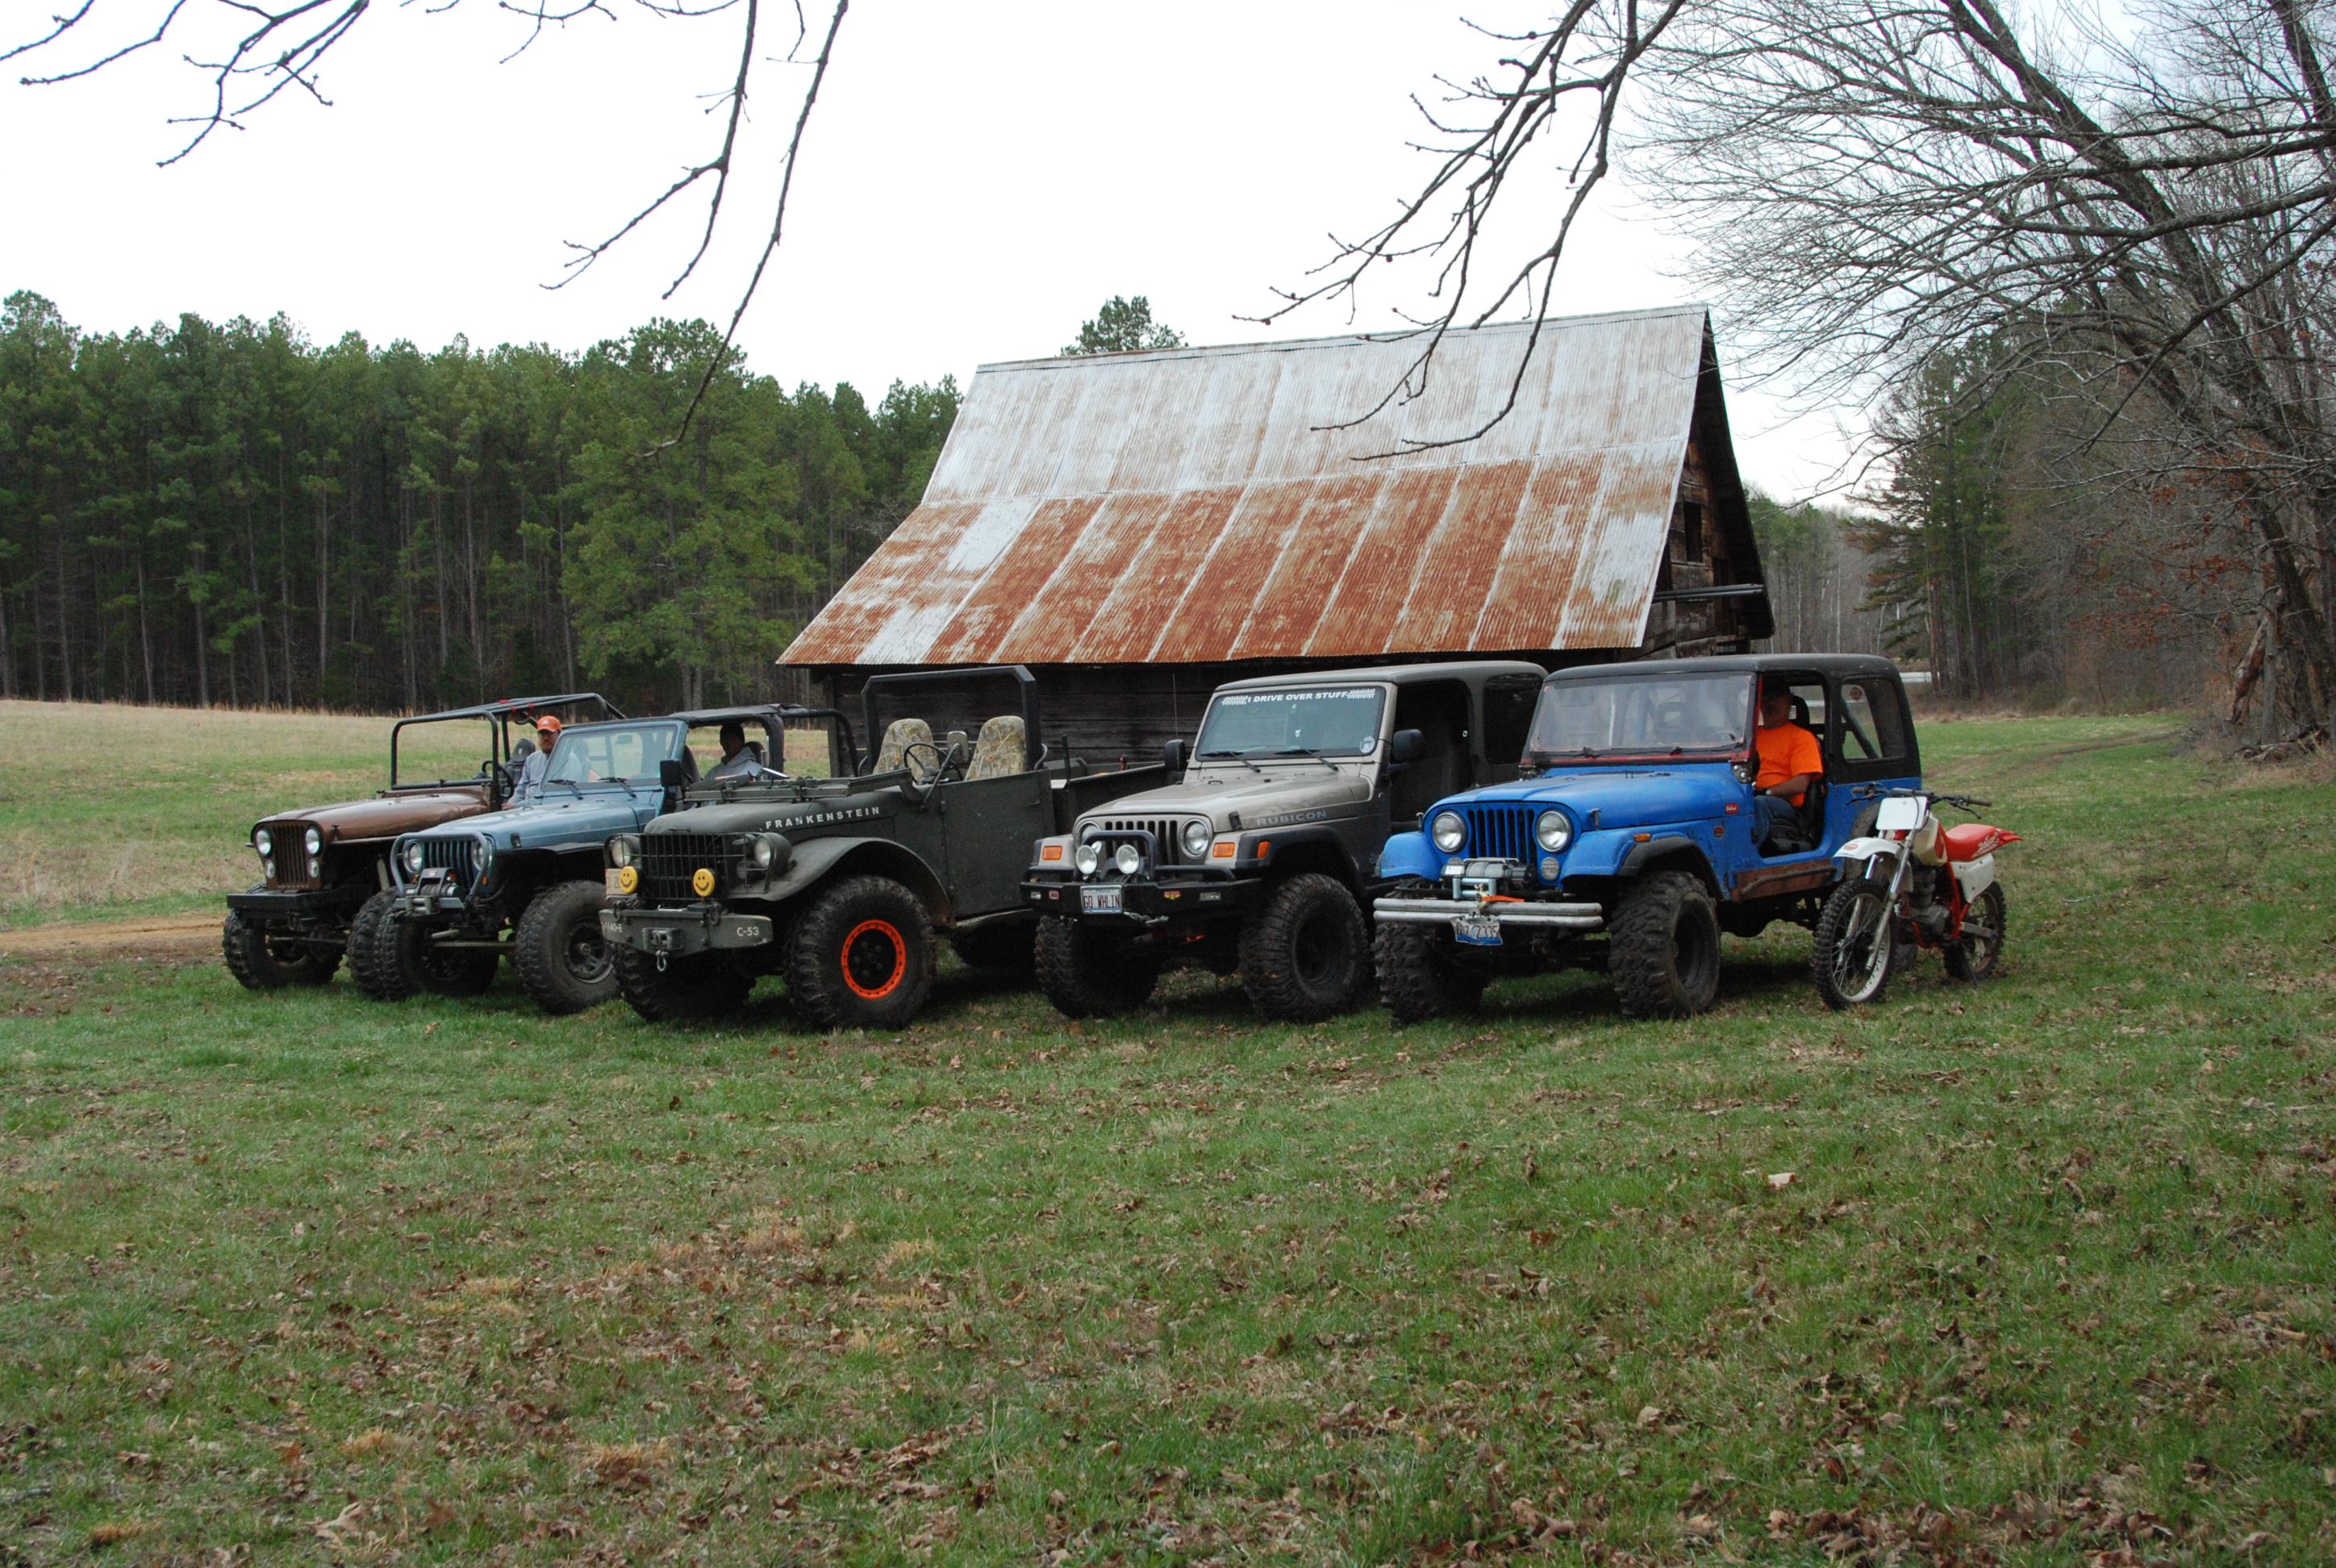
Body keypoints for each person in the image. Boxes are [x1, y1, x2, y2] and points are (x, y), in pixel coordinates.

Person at [1752, 681, 1822, 850]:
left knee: (1760, 804)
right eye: (1766, 698)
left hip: (1784, 805)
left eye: (1777, 697)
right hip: (1749, 794)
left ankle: (1746, 857)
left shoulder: (1802, 738)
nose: (1771, 703)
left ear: (1789, 701)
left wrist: (1767, 792)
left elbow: (1800, 784)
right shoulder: (1751, 738)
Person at [706, 719, 775, 781]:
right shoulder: (712, 774)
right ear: (721, 742)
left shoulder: (756, 770)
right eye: (725, 739)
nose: (729, 743)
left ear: (741, 741)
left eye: (733, 739)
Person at [515, 715, 561, 802]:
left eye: (549, 734)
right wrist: (508, 807)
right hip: (527, 809)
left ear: (559, 735)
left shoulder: (568, 761)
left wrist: (519, 805)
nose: (546, 738)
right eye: (542, 734)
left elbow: (559, 798)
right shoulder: (532, 759)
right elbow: (520, 791)